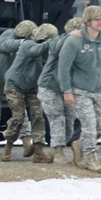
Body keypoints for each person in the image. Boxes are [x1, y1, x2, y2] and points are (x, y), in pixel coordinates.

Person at [57, 4, 101, 173]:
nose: (100, 22)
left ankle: (79, 144)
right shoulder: (74, 41)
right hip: (81, 91)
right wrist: (66, 90)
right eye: (96, 19)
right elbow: (64, 68)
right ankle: (91, 158)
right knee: (89, 124)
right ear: (87, 21)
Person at [1, 22, 60, 163]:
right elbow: (35, 51)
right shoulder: (28, 44)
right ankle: (8, 146)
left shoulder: (48, 51)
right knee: (18, 118)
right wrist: (52, 42)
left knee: (38, 116)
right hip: (15, 85)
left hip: (32, 87)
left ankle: (38, 151)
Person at [0, 19, 36, 157]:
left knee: (19, 111)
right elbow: (7, 45)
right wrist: (23, 43)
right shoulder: (8, 35)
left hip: (12, 81)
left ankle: (27, 141)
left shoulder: (31, 46)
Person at [37, 17, 84, 164]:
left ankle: (55, 149)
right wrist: (71, 37)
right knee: (57, 118)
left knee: (70, 120)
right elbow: (56, 47)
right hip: (50, 87)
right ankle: (58, 152)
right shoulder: (58, 41)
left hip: (67, 89)